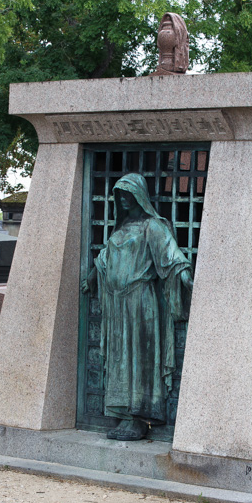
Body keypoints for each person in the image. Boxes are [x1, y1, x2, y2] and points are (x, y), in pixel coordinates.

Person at [80, 173, 193, 440]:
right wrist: (92, 279)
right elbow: (104, 258)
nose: (123, 198)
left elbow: (171, 255)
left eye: (128, 193)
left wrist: (185, 276)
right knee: (120, 358)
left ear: (139, 196)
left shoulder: (152, 226)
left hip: (141, 302)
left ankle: (141, 417)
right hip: (117, 304)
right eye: (119, 194)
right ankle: (124, 415)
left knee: (140, 358)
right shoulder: (121, 228)